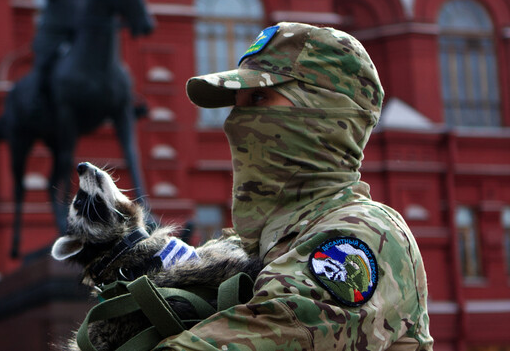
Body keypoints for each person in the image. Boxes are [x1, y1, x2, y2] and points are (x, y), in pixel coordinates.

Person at [154, 22, 433, 350]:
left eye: (258, 97)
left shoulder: (360, 234)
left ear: (322, 114)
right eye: (238, 103)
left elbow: (277, 328)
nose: (236, 120)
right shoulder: (265, 241)